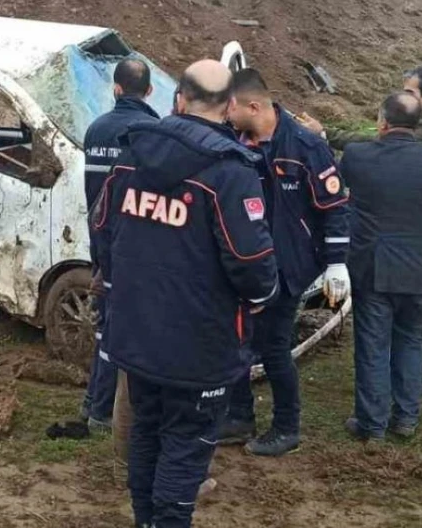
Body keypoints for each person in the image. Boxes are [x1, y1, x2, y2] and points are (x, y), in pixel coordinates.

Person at [92, 59, 278, 528]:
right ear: (231, 106)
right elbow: (252, 261)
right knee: (185, 447)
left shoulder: (130, 154)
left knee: (146, 434)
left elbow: (101, 230)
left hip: (135, 330)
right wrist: (262, 295)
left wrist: (120, 285)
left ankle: (145, 519)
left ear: (178, 98)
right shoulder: (230, 170)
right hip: (200, 340)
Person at [302, 65, 422, 376]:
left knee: (388, 328)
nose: (403, 97)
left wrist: (325, 136)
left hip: (402, 232)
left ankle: (383, 405)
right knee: (416, 304)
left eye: (409, 92)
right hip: (421, 237)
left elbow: (376, 145)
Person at [219, 68, 351, 457]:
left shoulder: (305, 147)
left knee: (273, 347)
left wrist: (336, 262)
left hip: (288, 266)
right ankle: (239, 416)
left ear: (254, 106)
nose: (226, 114)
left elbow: (335, 208)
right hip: (245, 263)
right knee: (238, 341)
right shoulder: (232, 141)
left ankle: (286, 426)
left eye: (231, 107)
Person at [339, 92, 422, 441]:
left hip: (372, 269)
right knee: (410, 342)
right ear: (416, 123)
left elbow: (336, 200)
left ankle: (371, 424)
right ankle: (406, 418)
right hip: (420, 270)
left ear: (382, 122)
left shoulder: (357, 156)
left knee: (372, 346)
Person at [81, 58, 160, 434]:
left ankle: (93, 402)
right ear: (149, 91)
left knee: (104, 327)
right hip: (136, 251)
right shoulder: (155, 133)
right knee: (121, 333)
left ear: (115, 89)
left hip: (101, 244)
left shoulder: (96, 130)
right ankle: (101, 412)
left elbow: (93, 195)